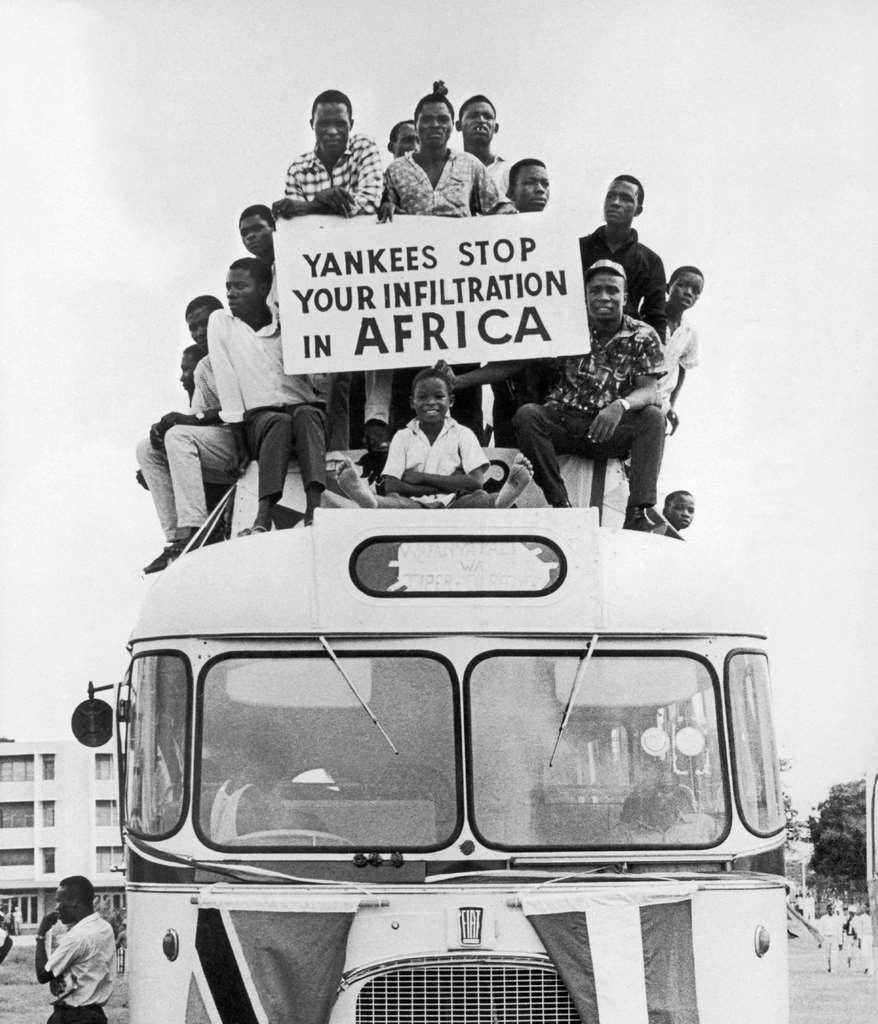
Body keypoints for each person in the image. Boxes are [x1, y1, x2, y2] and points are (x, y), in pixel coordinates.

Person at [382, 82, 513, 439]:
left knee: (462, 379)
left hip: (461, 295)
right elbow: (376, 224)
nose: (435, 126)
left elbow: (498, 207)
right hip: (412, 293)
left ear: (452, 124)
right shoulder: (395, 172)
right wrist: (386, 209)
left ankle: (468, 458)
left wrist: (523, 225)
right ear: (416, 123)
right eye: (427, 120)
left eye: (443, 119)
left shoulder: (470, 165)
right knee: (408, 377)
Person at [513, 260, 673, 532]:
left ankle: (637, 512)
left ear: (625, 296)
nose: (603, 297)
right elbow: (515, 357)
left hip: (608, 430)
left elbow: (649, 390)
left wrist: (620, 406)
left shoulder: (644, 334)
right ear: (585, 295)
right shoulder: (566, 327)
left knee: (653, 418)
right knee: (528, 415)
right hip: (563, 421)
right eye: (595, 290)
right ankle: (560, 504)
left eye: (612, 290)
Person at [273, 91, 385, 452]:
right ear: (312, 125)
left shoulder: (366, 148)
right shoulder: (298, 167)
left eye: (340, 123)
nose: (333, 130)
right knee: (334, 373)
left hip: (369, 275)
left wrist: (309, 205)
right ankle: (337, 454)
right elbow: (292, 226)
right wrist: (326, 202)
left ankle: (373, 435)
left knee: (373, 355)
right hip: (324, 281)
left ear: (351, 124)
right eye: (325, 123)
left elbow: (367, 201)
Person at [208, 257, 329, 530]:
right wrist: (239, 441)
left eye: (240, 286)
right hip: (260, 421)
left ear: (264, 288)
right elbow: (227, 382)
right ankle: (263, 515)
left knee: (307, 413)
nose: (231, 293)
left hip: (304, 414)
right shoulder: (222, 323)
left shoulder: (288, 321)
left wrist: (299, 329)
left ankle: (314, 508)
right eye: (228, 287)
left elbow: (320, 382)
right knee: (278, 421)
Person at [439, 158, 552, 445]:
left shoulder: (556, 244)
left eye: (545, 183)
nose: (539, 189)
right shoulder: (487, 241)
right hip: (508, 390)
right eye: (529, 182)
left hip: (549, 386)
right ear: (510, 192)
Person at [136, 298, 239, 574]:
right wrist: (166, 441)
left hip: (249, 441)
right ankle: (176, 538)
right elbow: (197, 424)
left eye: (203, 324)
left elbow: (247, 404)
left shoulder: (240, 345)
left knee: (179, 436)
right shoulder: (205, 367)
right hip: (222, 449)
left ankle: (195, 527)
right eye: (192, 328)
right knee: (147, 448)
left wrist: (188, 422)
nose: (198, 333)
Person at [334, 367, 532, 509]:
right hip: (414, 503)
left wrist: (420, 478)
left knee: (478, 498)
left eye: (439, 396)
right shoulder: (402, 437)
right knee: (394, 501)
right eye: (422, 397)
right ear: (412, 402)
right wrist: (451, 482)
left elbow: (475, 483)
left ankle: (501, 500)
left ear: (451, 400)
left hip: (457, 500)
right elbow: (391, 485)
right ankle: (369, 501)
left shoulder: (464, 433)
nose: (431, 402)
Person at [579, 176, 667, 338]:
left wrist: (656, 356)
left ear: (638, 210)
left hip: (625, 353)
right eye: (611, 196)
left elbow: (656, 318)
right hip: (577, 346)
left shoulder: (651, 261)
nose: (616, 202)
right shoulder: (577, 249)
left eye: (625, 198)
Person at [34, 875, 116, 1024]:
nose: (56, 907)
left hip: (73, 1016)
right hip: (96, 1015)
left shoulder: (77, 937)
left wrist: (41, 934)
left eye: (59, 900)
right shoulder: (104, 928)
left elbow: (43, 975)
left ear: (73, 901)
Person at [660, 266, 703, 434]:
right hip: (636, 396)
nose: (688, 292)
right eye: (683, 285)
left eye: (696, 290)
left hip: (661, 404)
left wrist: (670, 406)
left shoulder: (689, 333)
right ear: (668, 287)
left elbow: (682, 370)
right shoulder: (648, 317)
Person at [455, 93, 508, 191]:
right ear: (458, 125)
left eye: (487, 116)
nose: (481, 120)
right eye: (473, 116)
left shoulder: (508, 171)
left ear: (495, 128)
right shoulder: (448, 171)